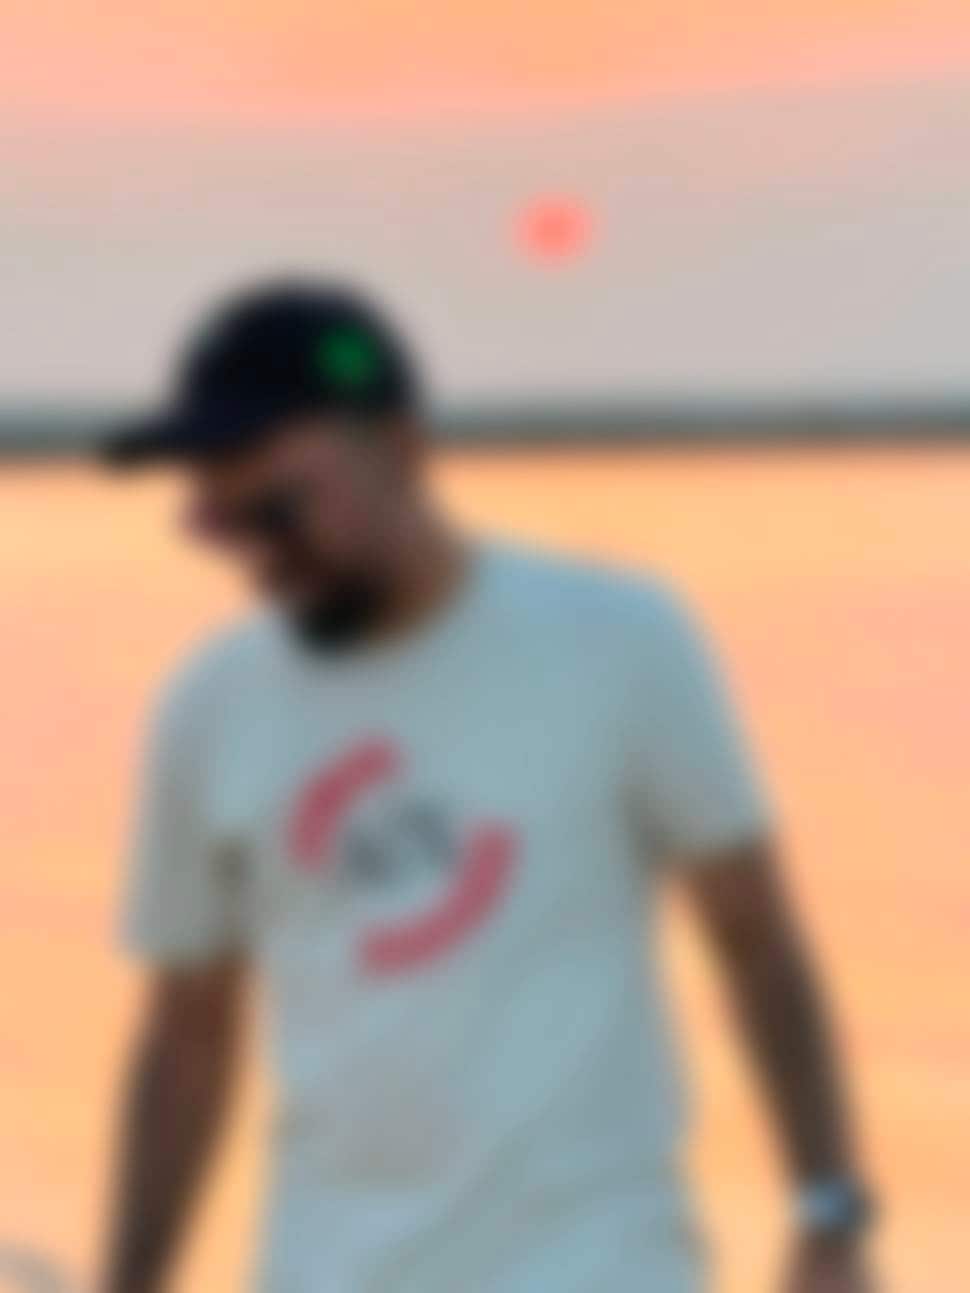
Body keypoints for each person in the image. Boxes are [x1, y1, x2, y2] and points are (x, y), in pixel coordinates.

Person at [100, 281, 874, 1293]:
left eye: (280, 509)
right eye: (221, 522)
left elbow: (756, 938)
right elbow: (187, 1037)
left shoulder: (619, 643)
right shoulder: (211, 708)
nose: (258, 553)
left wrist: (829, 1215)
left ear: (402, 447)